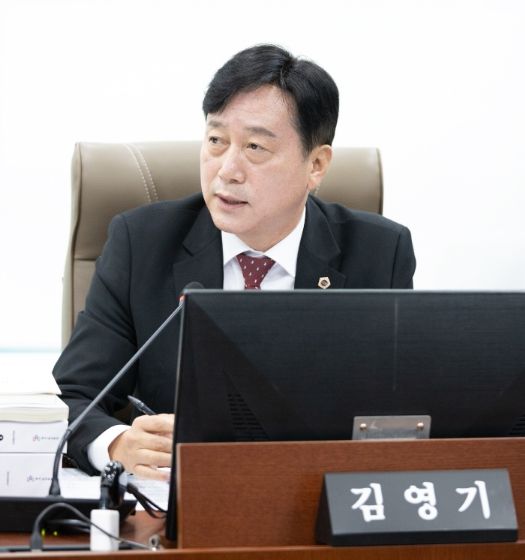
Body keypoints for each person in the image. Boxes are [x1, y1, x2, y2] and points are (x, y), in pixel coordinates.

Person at [53, 44, 416, 480]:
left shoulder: (379, 253)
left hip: (314, 495)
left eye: (255, 147)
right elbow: (73, 397)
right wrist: (116, 443)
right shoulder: (142, 243)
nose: (227, 170)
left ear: (316, 165)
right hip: (177, 497)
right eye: (216, 141)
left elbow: (402, 415)